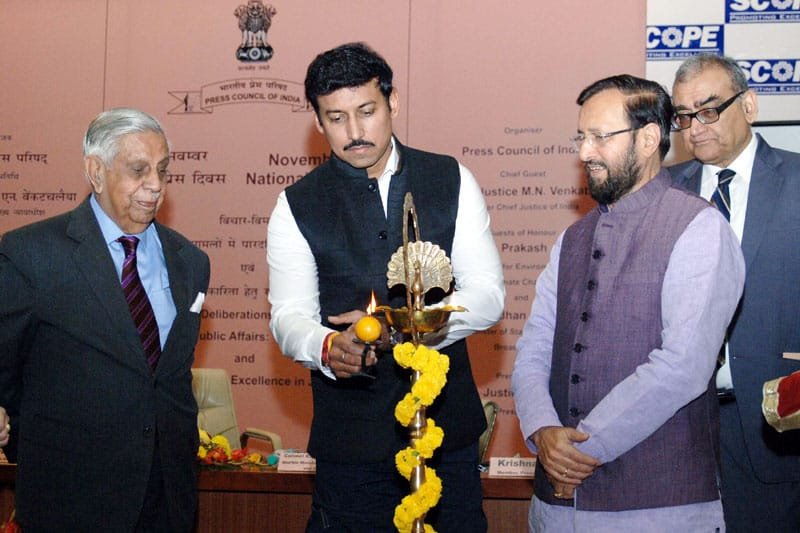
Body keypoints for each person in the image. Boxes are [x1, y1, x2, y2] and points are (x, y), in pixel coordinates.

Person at [267, 42, 504, 532]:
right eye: (336, 118)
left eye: (367, 111)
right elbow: (288, 317)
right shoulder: (296, 205)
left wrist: (404, 330)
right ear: (316, 121)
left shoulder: (450, 178)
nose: (354, 132)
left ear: (392, 102)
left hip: (446, 436)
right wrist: (329, 346)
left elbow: (487, 296)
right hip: (350, 447)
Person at [512, 74, 745, 532]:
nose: (584, 152)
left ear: (649, 139)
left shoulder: (699, 227)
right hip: (554, 508)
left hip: (659, 506)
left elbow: (683, 365)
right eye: (581, 137)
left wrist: (581, 448)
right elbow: (534, 348)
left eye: (600, 137)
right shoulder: (571, 238)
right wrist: (542, 430)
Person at [0, 108, 210, 531]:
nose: (155, 186)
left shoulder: (191, 261)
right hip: (71, 494)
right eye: (138, 170)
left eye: (162, 170)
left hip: (169, 496)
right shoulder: (31, 255)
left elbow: (167, 375)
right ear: (95, 172)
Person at [670, 53, 800, 531]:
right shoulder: (663, 193)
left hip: (778, 426)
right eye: (683, 116)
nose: (694, 127)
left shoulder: (798, 181)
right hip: (677, 428)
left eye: (708, 110)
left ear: (749, 105)